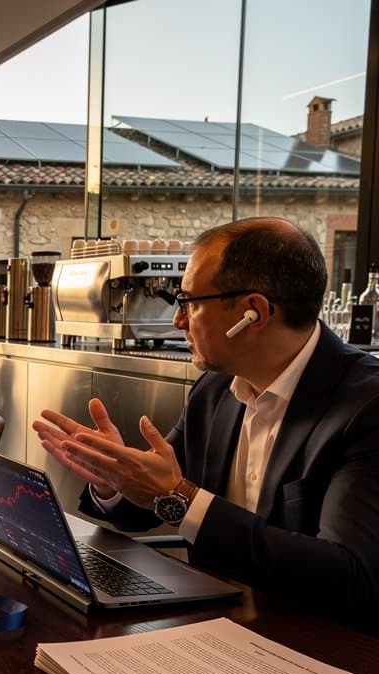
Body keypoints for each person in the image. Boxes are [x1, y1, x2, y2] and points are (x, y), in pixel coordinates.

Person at [33, 217, 379, 630]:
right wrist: (115, 478)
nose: (178, 322)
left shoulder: (366, 407)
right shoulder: (214, 390)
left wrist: (180, 498)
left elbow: (350, 577)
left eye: (191, 303)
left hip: (318, 648)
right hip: (216, 627)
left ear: (254, 312)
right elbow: (150, 504)